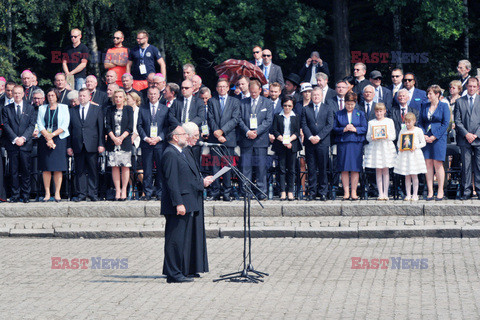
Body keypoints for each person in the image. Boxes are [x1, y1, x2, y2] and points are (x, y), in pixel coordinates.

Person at [161, 125, 212, 283]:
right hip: (177, 204)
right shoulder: (170, 153)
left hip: (186, 201)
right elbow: (172, 182)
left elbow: (185, 177)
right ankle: (173, 273)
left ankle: (180, 270)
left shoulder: (180, 152)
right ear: (175, 137)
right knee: (174, 239)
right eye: (183, 134)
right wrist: (178, 203)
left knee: (181, 239)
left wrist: (200, 183)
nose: (186, 136)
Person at [182, 122, 213, 276]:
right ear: (186, 136)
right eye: (195, 136)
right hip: (188, 197)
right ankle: (187, 268)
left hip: (195, 196)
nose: (197, 138)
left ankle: (194, 267)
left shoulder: (190, 151)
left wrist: (202, 180)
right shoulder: (182, 151)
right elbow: (185, 177)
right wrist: (202, 182)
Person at [67, 88, 105, 202]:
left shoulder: (97, 109)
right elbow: (69, 129)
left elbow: (101, 128)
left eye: (84, 96)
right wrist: (69, 146)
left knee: (93, 170)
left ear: (89, 97)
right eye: (80, 96)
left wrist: (101, 144)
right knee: (80, 171)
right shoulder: (72, 110)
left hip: (92, 144)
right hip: (77, 144)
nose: (82, 98)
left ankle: (93, 193)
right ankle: (81, 193)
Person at [238, 79, 273, 199]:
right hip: (246, 139)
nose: (253, 94)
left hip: (261, 140)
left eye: (255, 92)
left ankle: (261, 191)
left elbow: (268, 121)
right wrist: (248, 131)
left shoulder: (267, 103)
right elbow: (239, 119)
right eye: (251, 92)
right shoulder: (243, 103)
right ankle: (246, 191)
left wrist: (257, 132)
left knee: (261, 167)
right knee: (245, 167)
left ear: (260, 90)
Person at [207, 78, 240, 201]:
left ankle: (227, 192)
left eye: (224, 86)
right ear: (216, 88)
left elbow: (235, 119)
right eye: (219, 86)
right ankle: (215, 191)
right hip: (214, 138)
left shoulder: (235, 102)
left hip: (228, 138)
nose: (221, 88)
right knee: (215, 166)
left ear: (228, 88)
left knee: (227, 166)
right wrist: (216, 132)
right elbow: (210, 117)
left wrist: (222, 132)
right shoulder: (212, 101)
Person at [2, 85, 36, 202]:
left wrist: (23, 138)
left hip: (26, 144)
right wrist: (15, 138)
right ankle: (15, 195)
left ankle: (26, 195)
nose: (16, 95)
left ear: (23, 94)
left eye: (19, 93)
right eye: (14, 93)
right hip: (12, 145)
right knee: (14, 171)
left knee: (26, 171)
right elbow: (6, 125)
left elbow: (32, 125)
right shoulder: (7, 109)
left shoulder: (30, 108)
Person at [37, 88, 70, 202]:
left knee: (58, 168)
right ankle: (47, 193)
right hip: (45, 139)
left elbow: (65, 125)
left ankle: (57, 193)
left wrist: (52, 135)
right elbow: (40, 124)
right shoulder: (42, 108)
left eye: (53, 95)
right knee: (46, 168)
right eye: (49, 95)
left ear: (57, 96)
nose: (51, 97)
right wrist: (48, 137)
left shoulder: (64, 108)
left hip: (59, 139)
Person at [333, 91, 367, 200]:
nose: (350, 106)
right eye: (348, 104)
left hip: (356, 143)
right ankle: (346, 192)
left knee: (355, 168)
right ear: (344, 103)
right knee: (344, 168)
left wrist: (355, 129)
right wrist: (343, 129)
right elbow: (334, 128)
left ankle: (354, 192)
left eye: (352, 104)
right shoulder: (339, 114)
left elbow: (365, 128)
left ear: (355, 103)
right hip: (343, 143)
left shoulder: (360, 113)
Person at [301, 87, 334, 201]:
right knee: (311, 168)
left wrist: (319, 137)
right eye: (314, 95)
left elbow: (329, 125)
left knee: (323, 168)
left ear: (321, 96)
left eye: (318, 95)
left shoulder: (328, 108)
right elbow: (304, 125)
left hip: (323, 142)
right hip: (310, 143)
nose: (315, 97)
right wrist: (310, 137)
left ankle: (323, 192)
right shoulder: (306, 109)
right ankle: (312, 192)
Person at [418, 85, 450, 200]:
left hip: (439, 138)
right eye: (428, 94)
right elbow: (420, 122)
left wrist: (435, 136)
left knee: (438, 164)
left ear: (437, 94)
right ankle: (430, 191)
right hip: (426, 138)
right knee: (428, 164)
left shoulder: (444, 106)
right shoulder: (424, 106)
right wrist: (424, 135)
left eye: (430, 94)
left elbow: (445, 123)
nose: (428, 96)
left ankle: (440, 190)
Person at [137, 87, 170, 200]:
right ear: (147, 95)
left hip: (160, 144)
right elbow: (139, 126)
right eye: (150, 94)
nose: (152, 96)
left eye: (155, 94)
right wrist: (146, 138)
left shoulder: (165, 109)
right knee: (147, 169)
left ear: (159, 95)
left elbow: (166, 126)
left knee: (161, 169)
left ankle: (160, 193)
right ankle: (148, 192)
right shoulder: (142, 109)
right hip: (147, 144)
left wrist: (159, 138)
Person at [363, 103, 396, 200]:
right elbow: (368, 137)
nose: (379, 113)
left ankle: (386, 193)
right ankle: (380, 193)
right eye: (377, 111)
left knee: (386, 170)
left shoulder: (389, 121)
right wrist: (372, 137)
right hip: (376, 148)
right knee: (378, 170)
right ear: (375, 112)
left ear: (385, 111)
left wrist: (386, 136)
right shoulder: (371, 122)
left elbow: (393, 136)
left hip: (386, 147)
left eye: (381, 111)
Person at [105, 89, 134, 200]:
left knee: (125, 166)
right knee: (115, 166)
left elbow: (130, 126)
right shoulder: (110, 110)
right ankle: (117, 191)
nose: (118, 99)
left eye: (120, 97)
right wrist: (113, 138)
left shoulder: (128, 109)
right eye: (116, 97)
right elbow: (107, 125)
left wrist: (121, 138)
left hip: (124, 141)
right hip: (113, 142)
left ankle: (124, 190)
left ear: (124, 98)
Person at [454, 77, 480, 200]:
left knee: (479, 166)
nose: (472, 88)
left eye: (474, 86)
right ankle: (467, 191)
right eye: (470, 86)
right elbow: (457, 121)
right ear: (466, 86)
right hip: (464, 139)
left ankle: (479, 190)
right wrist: (467, 134)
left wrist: (475, 134)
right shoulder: (460, 101)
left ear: (478, 88)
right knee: (466, 166)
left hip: (478, 139)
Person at [272, 96, 301, 201]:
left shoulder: (296, 116)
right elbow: (275, 130)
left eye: (289, 105)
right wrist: (284, 140)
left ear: (293, 106)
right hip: (281, 144)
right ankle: (282, 191)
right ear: (282, 105)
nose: (287, 107)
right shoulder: (277, 116)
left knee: (292, 169)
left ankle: (290, 191)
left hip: (292, 144)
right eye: (285, 105)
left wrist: (289, 141)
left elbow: (297, 132)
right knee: (281, 169)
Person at [394, 112, 427, 201]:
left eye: (409, 122)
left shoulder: (418, 130)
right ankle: (408, 194)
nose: (408, 124)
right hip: (405, 155)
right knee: (407, 175)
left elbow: (423, 143)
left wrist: (416, 147)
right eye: (406, 122)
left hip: (414, 154)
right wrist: (400, 147)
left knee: (414, 175)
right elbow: (399, 142)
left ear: (414, 121)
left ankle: (415, 194)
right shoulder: (402, 131)